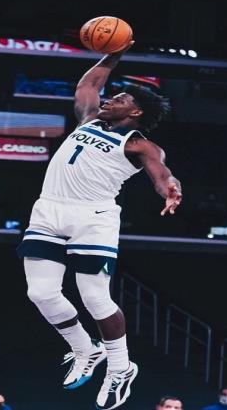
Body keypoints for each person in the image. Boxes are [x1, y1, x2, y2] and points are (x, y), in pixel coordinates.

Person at [17, 43, 182, 410]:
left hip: (93, 217)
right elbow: (88, 85)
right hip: (49, 209)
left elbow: (162, 174)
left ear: (135, 112)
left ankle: (121, 368)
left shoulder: (140, 145)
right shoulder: (89, 119)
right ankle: (85, 349)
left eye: (120, 99)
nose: (109, 99)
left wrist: (171, 189)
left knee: (95, 298)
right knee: (40, 293)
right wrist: (113, 54)